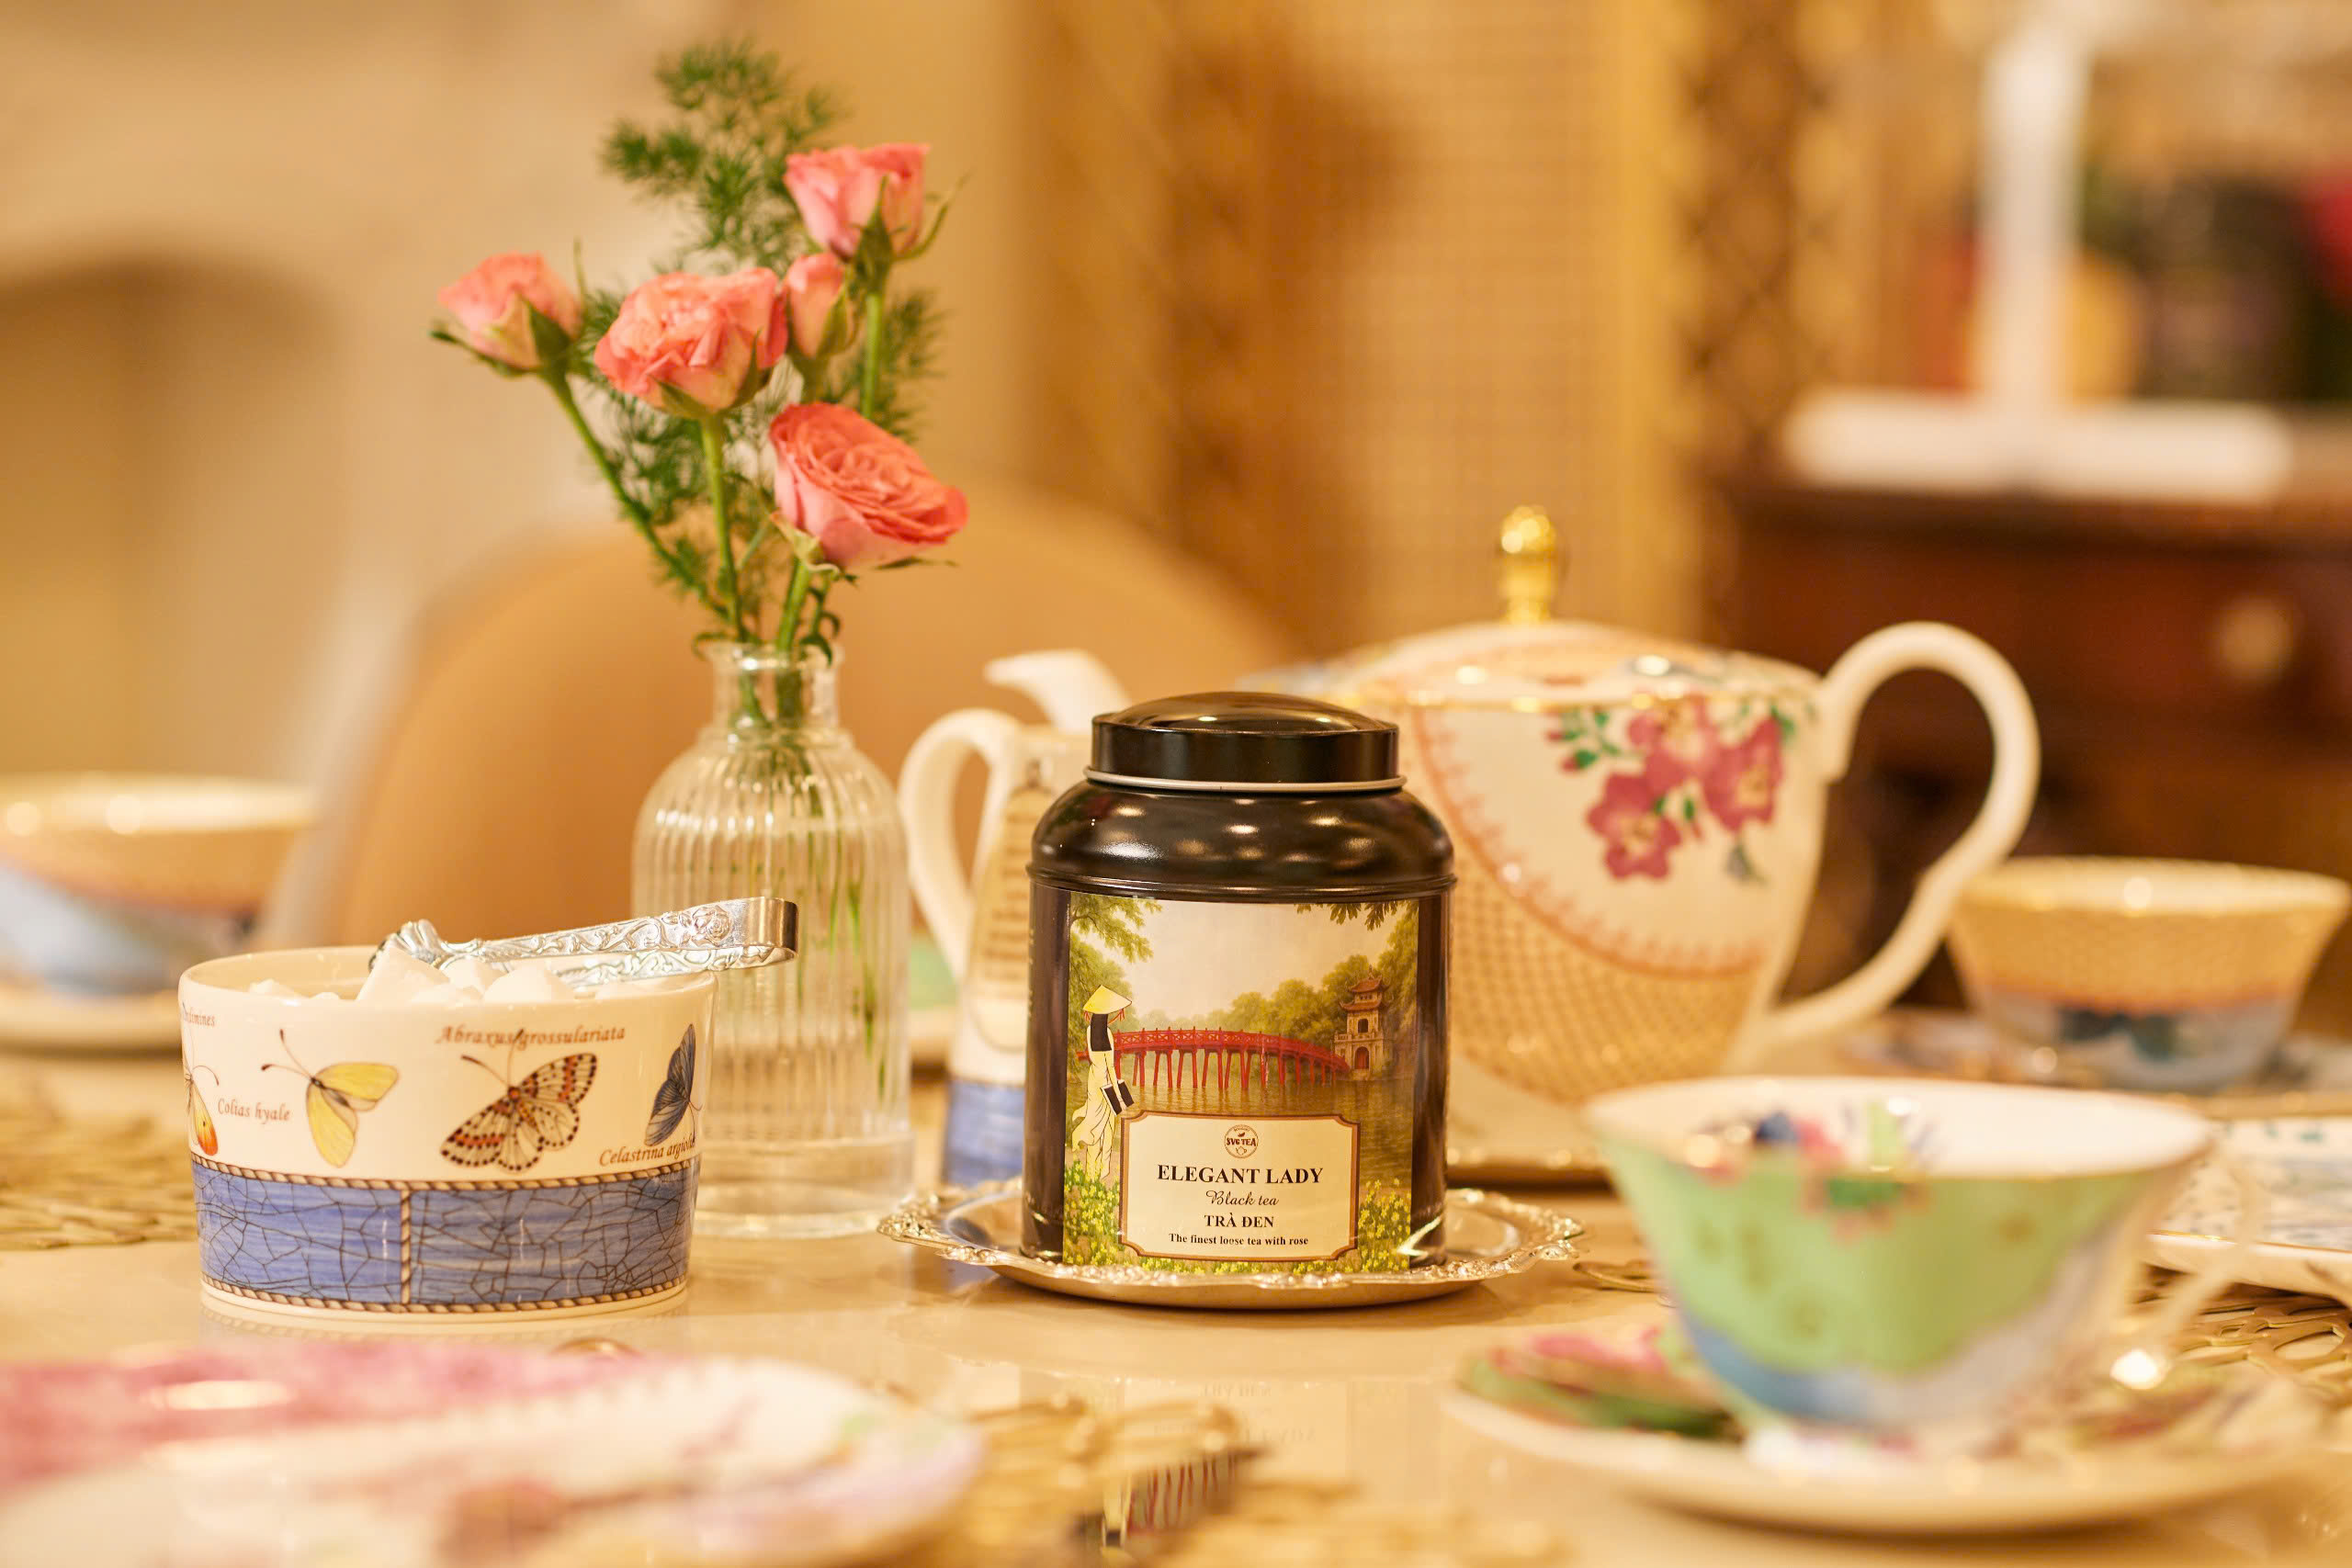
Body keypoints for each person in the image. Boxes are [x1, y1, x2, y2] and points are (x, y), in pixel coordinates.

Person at [1074, 986, 1132, 1180]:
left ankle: (1090, 1171)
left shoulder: (1090, 1031)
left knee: (1094, 1124)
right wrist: (1120, 1095)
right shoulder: (1107, 1034)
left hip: (1093, 1079)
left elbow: (1094, 1058)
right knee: (1107, 1127)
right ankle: (1102, 1170)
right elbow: (1111, 1067)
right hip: (1105, 1081)